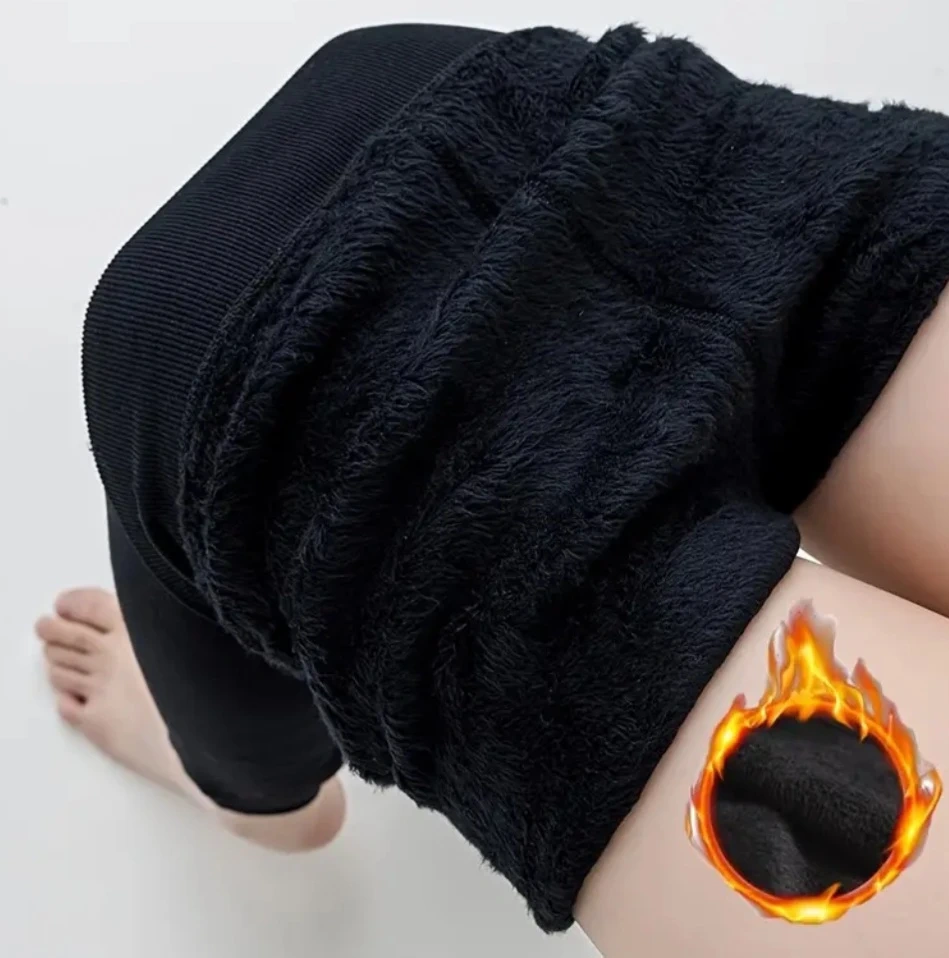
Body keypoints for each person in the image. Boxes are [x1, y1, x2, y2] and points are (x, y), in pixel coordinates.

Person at [34, 21, 949, 956]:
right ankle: (235, 771)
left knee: (285, 798)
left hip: (584, 146)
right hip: (594, 174)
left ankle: (226, 773)